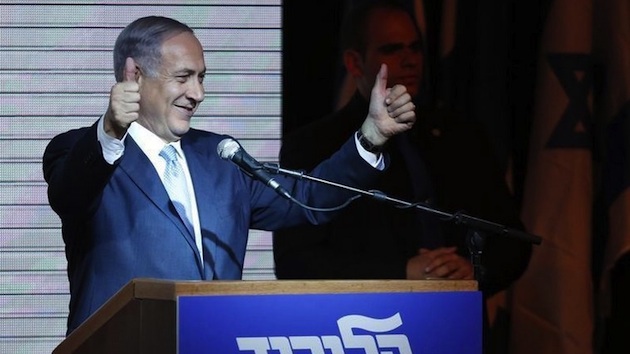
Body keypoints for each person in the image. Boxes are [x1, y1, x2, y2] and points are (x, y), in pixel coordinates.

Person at [42, 15, 416, 335]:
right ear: (136, 75)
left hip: (214, 341)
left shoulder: (220, 156)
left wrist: (371, 138)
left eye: (202, 77)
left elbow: (307, 201)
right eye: (184, 77)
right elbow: (70, 193)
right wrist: (108, 129)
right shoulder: (83, 150)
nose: (198, 93)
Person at [273, 1, 532, 352]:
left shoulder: (461, 136)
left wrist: (472, 269)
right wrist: (403, 270)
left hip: (460, 331)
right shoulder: (313, 146)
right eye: (391, 49)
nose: (410, 59)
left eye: (415, 47)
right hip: (365, 334)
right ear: (354, 62)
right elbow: (296, 262)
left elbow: (514, 240)